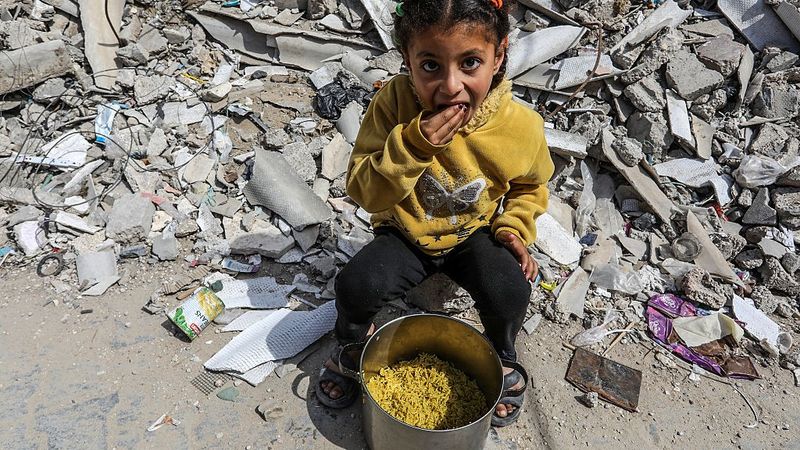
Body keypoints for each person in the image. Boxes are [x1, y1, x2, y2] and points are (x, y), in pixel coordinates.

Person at [315, 0, 554, 427]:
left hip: (473, 233)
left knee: (511, 291)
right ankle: (353, 347)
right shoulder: (393, 103)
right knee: (355, 286)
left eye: (470, 63)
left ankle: (500, 356)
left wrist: (514, 228)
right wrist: (412, 147)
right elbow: (364, 190)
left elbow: (529, 187)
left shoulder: (521, 126)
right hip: (405, 231)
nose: (450, 86)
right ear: (406, 60)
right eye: (430, 65)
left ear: (499, 55)